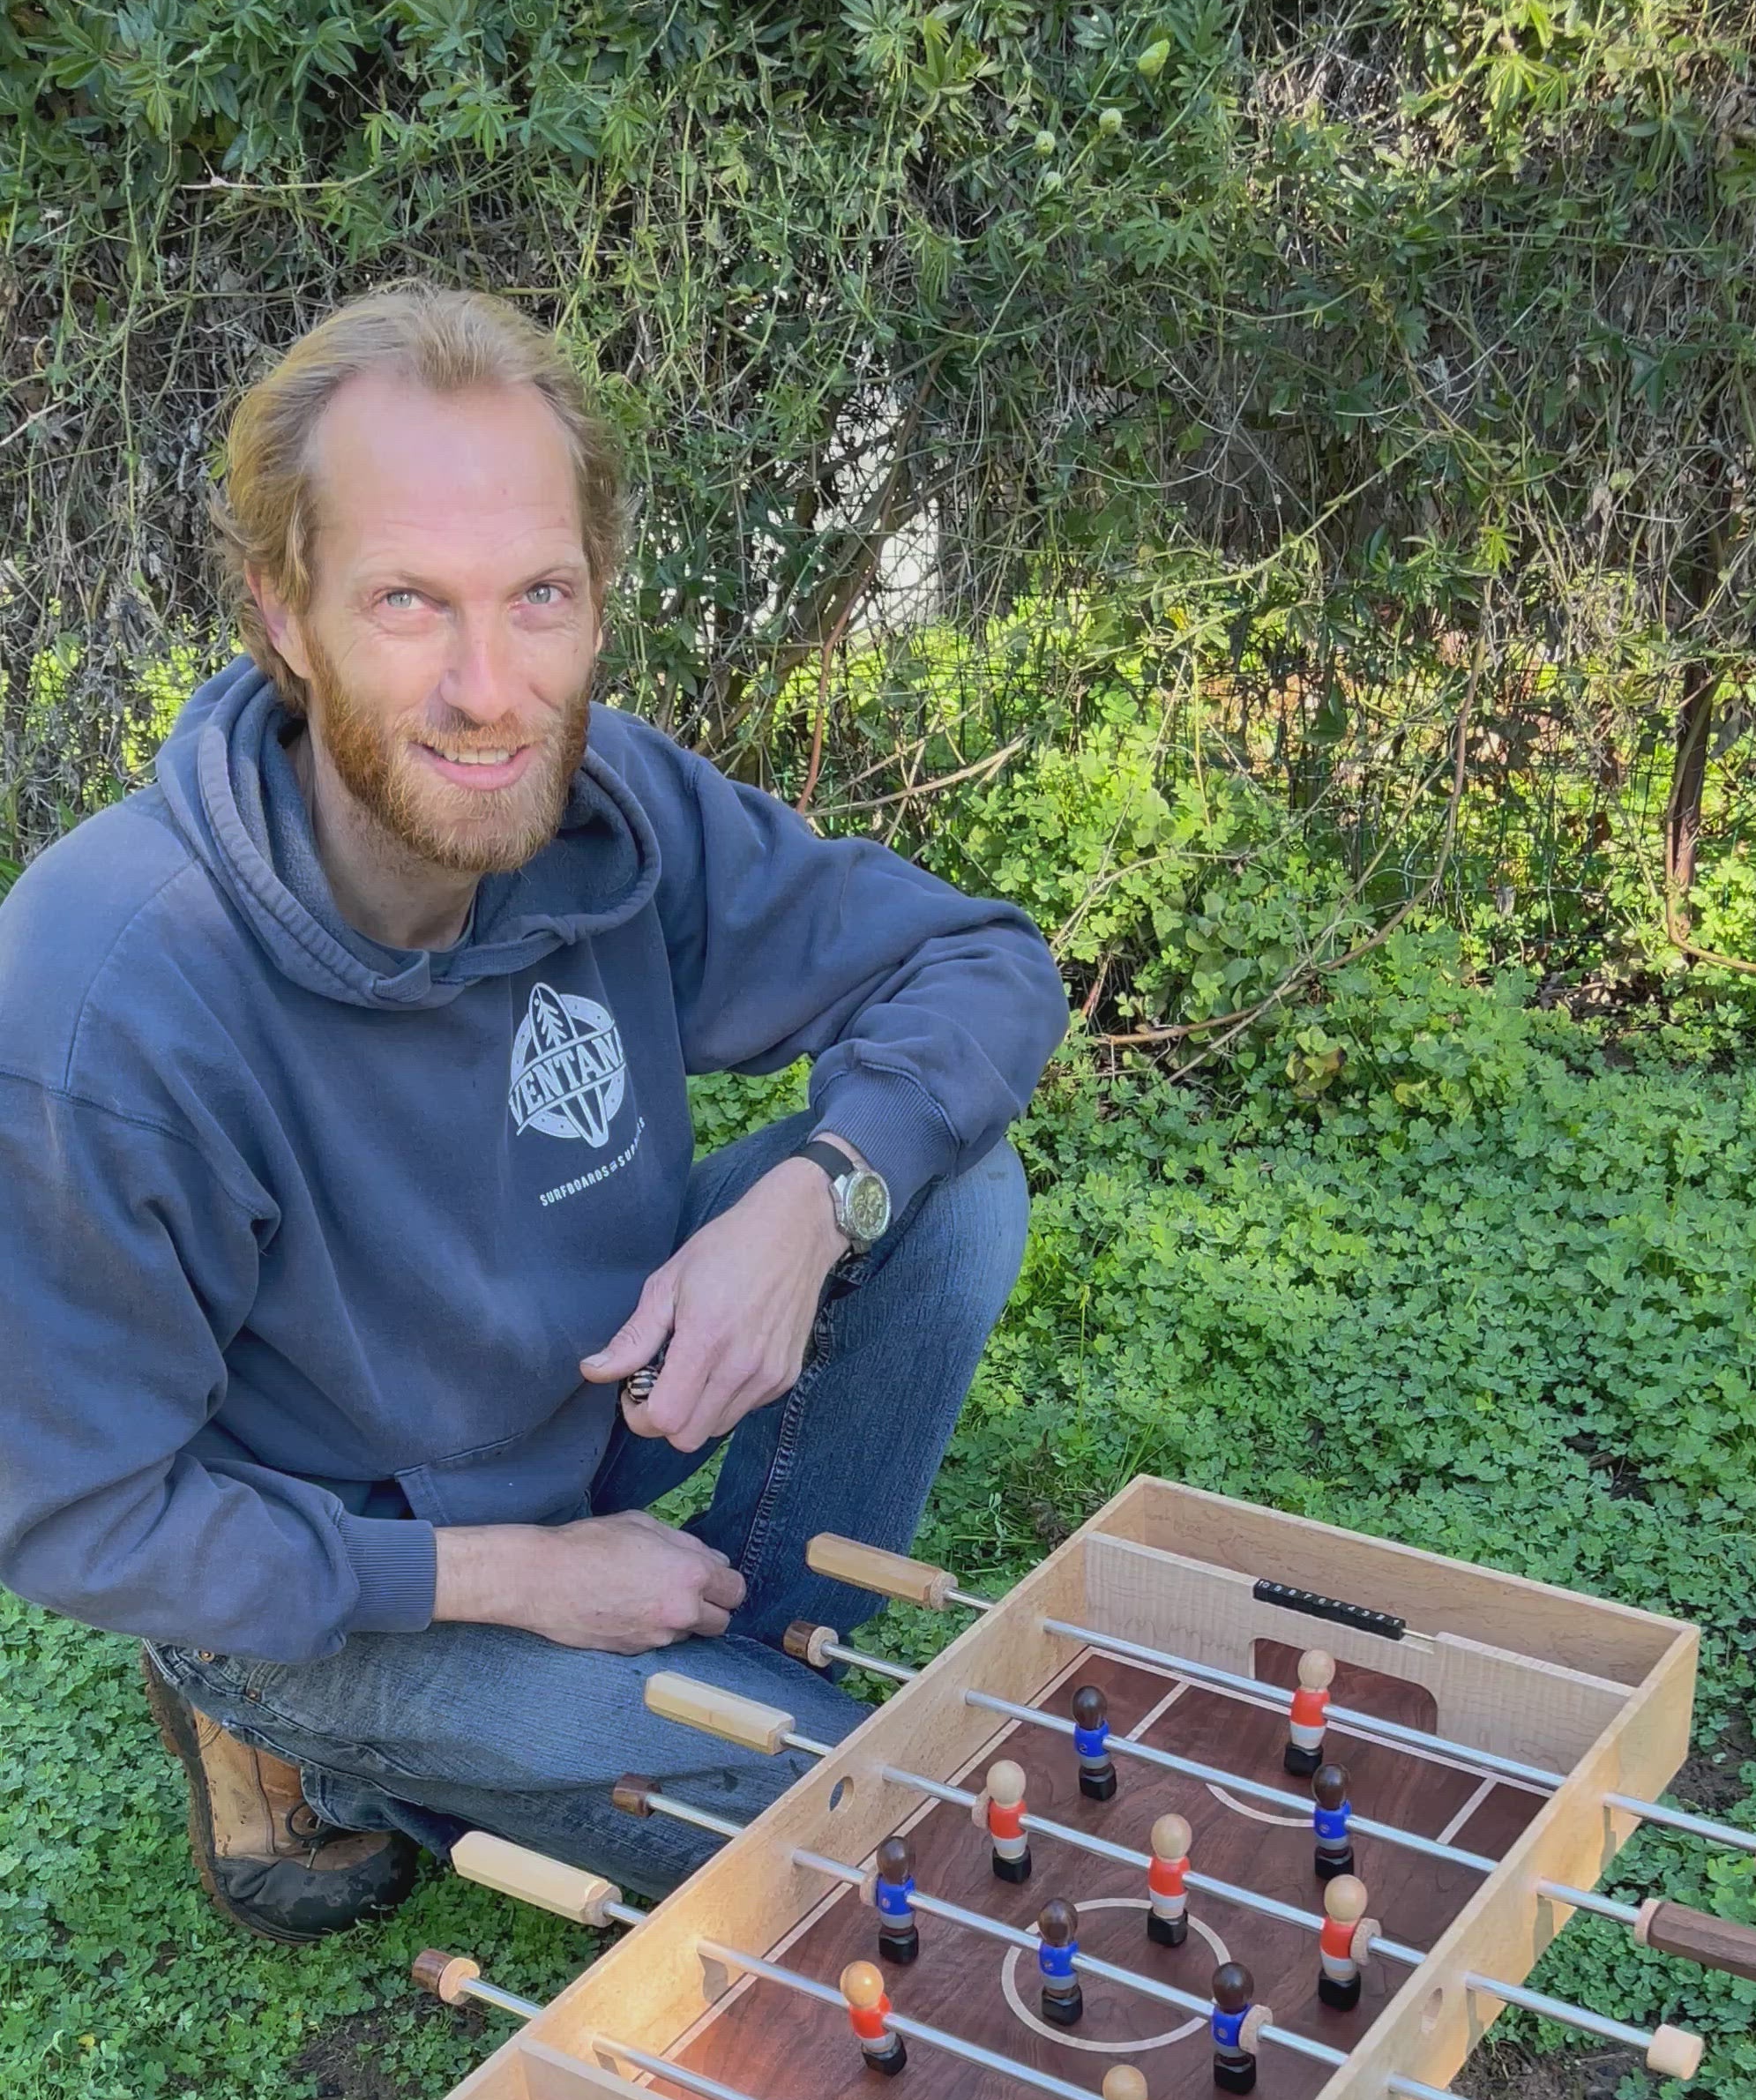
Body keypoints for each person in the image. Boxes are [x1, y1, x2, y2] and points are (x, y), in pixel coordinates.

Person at [0, 288, 1067, 1939]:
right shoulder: (104, 998)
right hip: (341, 1570)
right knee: (863, 1826)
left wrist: (811, 1202)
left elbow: (978, 962)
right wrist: (516, 1585)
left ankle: (735, 1665)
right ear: (288, 615)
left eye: (540, 597)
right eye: (410, 601)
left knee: (944, 1184)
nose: (491, 689)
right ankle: (313, 1740)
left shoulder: (608, 804)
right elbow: (74, 1511)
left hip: (580, 1410)